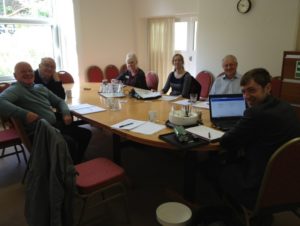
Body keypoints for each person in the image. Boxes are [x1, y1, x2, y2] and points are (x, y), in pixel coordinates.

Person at [198, 68, 300, 210]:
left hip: (258, 184)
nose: (246, 96)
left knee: (208, 166)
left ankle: (228, 209)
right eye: (243, 91)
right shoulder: (285, 107)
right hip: (288, 181)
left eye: (251, 90)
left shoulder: (255, 112)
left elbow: (227, 141)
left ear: (268, 88)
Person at [0, 62, 91, 164]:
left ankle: (74, 164)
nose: (28, 73)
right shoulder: (16, 89)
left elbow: (59, 101)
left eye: (30, 70)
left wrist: (65, 112)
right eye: (23, 71)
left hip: (53, 126)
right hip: (39, 132)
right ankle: (65, 170)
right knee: (69, 142)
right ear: (15, 76)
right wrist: (25, 114)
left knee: (85, 134)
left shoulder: (40, 87)